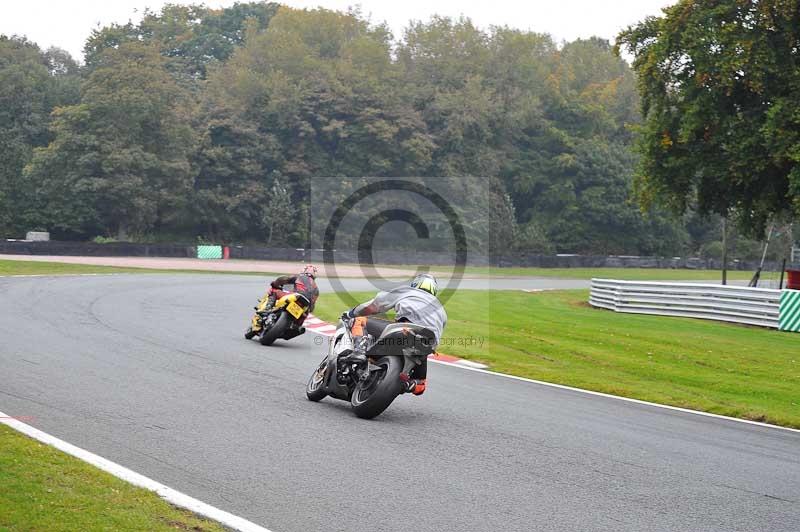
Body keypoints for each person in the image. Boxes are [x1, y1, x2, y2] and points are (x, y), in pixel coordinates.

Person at [341, 273, 446, 396]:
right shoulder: (442, 311)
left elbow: (374, 306)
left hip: (403, 331)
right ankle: (410, 384)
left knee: (359, 320)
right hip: (425, 344)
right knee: (421, 386)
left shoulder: (407, 291)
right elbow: (436, 338)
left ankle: (359, 352)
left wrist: (352, 313)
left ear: (415, 284)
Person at [252, 264, 319, 335]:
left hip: (296, 297)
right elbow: (312, 308)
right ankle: (295, 326)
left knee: (274, 292)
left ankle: (266, 309)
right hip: (305, 306)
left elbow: (283, 279)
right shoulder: (316, 289)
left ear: (304, 271)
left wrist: (275, 284)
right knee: (305, 314)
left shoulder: (300, 277)